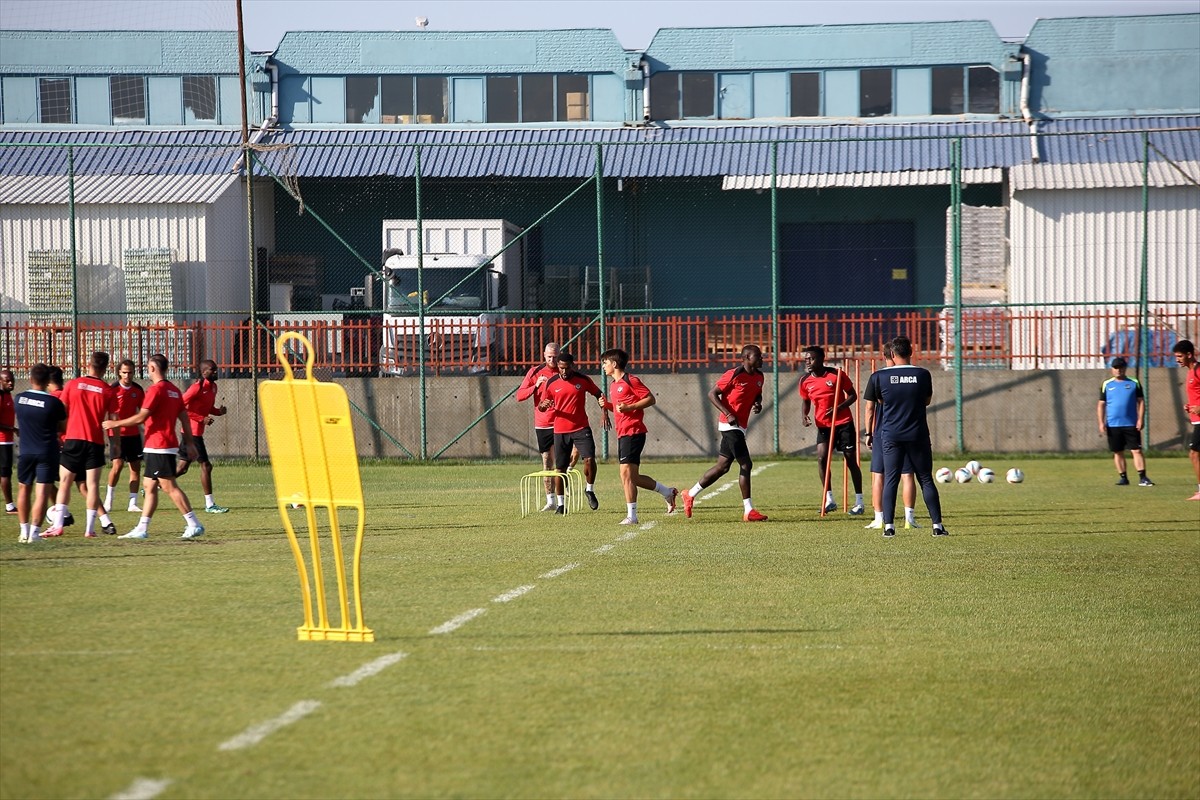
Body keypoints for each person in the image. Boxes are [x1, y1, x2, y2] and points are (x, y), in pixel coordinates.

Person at [101, 353, 203, 540]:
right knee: (148, 485)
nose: (147, 371)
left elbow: (141, 417)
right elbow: (185, 419)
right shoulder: (174, 390)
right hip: (162, 444)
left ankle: (193, 523)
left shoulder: (155, 390)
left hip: (159, 444)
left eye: (148, 367)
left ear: (154, 368)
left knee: (169, 486)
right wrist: (189, 442)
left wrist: (115, 424)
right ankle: (142, 528)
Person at [861, 336, 947, 537]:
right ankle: (937, 526)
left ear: (891, 354)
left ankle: (889, 527)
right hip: (917, 434)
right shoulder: (923, 374)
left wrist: (869, 432)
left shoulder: (878, 377)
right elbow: (926, 400)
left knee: (891, 479)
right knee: (925, 478)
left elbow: (878, 402)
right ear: (911, 352)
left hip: (891, 434)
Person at [680, 344, 768, 522]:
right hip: (729, 426)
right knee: (746, 464)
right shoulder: (733, 374)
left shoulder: (759, 376)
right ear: (746, 358)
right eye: (758, 356)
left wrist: (757, 402)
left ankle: (689, 494)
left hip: (740, 426)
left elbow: (757, 393)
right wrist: (728, 414)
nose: (762, 359)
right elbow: (712, 394)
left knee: (723, 467)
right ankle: (748, 510)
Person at [597, 348, 678, 525]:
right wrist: (609, 405)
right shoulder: (613, 385)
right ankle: (667, 492)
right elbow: (620, 409)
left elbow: (650, 399)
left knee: (625, 475)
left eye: (605, 362)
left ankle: (632, 516)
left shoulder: (631, 380)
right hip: (623, 433)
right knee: (632, 478)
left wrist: (629, 407)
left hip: (634, 432)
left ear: (614, 364)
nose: (603, 366)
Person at [42, 351, 118, 538]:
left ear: (88, 364)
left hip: (73, 439)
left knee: (66, 482)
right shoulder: (108, 390)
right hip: (95, 442)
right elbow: (113, 420)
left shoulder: (73, 384)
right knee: (92, 485)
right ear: (106, 368)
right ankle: (89, 529)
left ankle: (58, 526)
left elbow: (62, 412)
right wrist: (116, 444)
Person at [537, 351, 608, 513]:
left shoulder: (583, 380)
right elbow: (541, 405)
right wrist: (544, 405)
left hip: (581, 427)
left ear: (573, 366)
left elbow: (599, 394)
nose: (563, 371)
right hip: (560, 430)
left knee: (589, 458)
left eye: (566, 368)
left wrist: (604, 412)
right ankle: (561, 505)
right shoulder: (552, 382)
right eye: (560, 368)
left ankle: (589, 489)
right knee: (560, 469)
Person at [798, 346, 864, 515]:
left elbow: (853, 395)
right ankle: (829, 499)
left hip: (843, 423)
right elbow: (805, 401)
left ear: (821, 359)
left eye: (811, 359)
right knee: (821, 458)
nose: (808, 362)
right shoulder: (805, 380)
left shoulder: (836, 375)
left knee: (850, 460)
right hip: (823, 425)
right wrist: (805, 415)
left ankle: (859, 502)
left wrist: (838, 408)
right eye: (806, 359)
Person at [863, 342, 920, 530]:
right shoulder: (914, 376)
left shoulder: (879, 377)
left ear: (886, 355)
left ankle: (880, 518)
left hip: (883, 431)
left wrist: (868, 432)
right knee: (907, 474)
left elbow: (870, 408)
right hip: (910, 430)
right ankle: (909, 518)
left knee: (879, 474)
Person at [13, 364, 67, 543]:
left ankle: (23, 532)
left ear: (30, 379)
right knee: (42, 492)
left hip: (25, 451)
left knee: (23, 489)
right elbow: (62, 427)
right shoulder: (53, 403)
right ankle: (35, 534)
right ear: (48, 382)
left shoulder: (19, 399)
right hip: (46, 451)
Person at [515, 342, 566, 512]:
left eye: (556, 356)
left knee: (564, 461)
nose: (552, 359)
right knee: (547, 462)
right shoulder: (535, 372)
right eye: (549, 356)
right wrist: (535, 386)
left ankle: (562, 498)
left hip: (562, 422)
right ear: (544, 355)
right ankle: (550, 500)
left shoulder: (564, 371)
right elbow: (520, 395)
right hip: (543, 423)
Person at [176, 359, 229, 513]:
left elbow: (207, 407)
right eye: (212, 369)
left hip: (195, 433)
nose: (215, 372)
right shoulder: (196, 388)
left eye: (216, 369)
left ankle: (156, 484)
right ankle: (210, 504)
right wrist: (201, 418)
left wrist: (218, 411)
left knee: (183, 468)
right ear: (203, 372)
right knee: (206, 466)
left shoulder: (213, 387)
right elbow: (180, 406)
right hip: (191, 432)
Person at [1098, 356, 1153, 487]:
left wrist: (1140, 419)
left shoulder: (1134, 382)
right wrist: (1101, 422)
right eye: (1116, 368)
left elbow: (1141, 401)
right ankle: (1123, 477)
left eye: (1121, 368)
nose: (1118, 370)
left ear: (1125, 368)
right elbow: (1101, 404)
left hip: (1130, 423)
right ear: (1112, 369)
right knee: (1118, 451)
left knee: (1136, 450)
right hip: (1113, 424)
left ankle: (1143, 477)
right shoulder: (1107, 384)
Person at [104, 359, 145, 514]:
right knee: (118, 465)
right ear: (119, 373)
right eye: (124, 372)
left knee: (135, 467)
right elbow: (108, 412)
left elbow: (143, 412)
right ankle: (108, 500)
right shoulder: (112, 390)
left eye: (130, 372)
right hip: (116, 434)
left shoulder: (138, 390)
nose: (127, 375)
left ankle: (132, 503)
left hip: (133, 433)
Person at [1171, 339, 1200, 500]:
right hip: (1196, 419)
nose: (1177, 359)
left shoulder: (1198, 370)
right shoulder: (1190, 372)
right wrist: (1190, 406)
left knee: (1194, 454)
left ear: (1189, 354)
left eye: (1180, 356)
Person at [1, 368, 15, 514]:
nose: (11, 383)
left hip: (7, 440)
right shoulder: (1, 396)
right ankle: (10, 506)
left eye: (12, 380)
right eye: (7, 381)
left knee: (5, 473)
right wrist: (12, 429)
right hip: (2, 441)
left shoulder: (8, 395)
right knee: (5, 474)